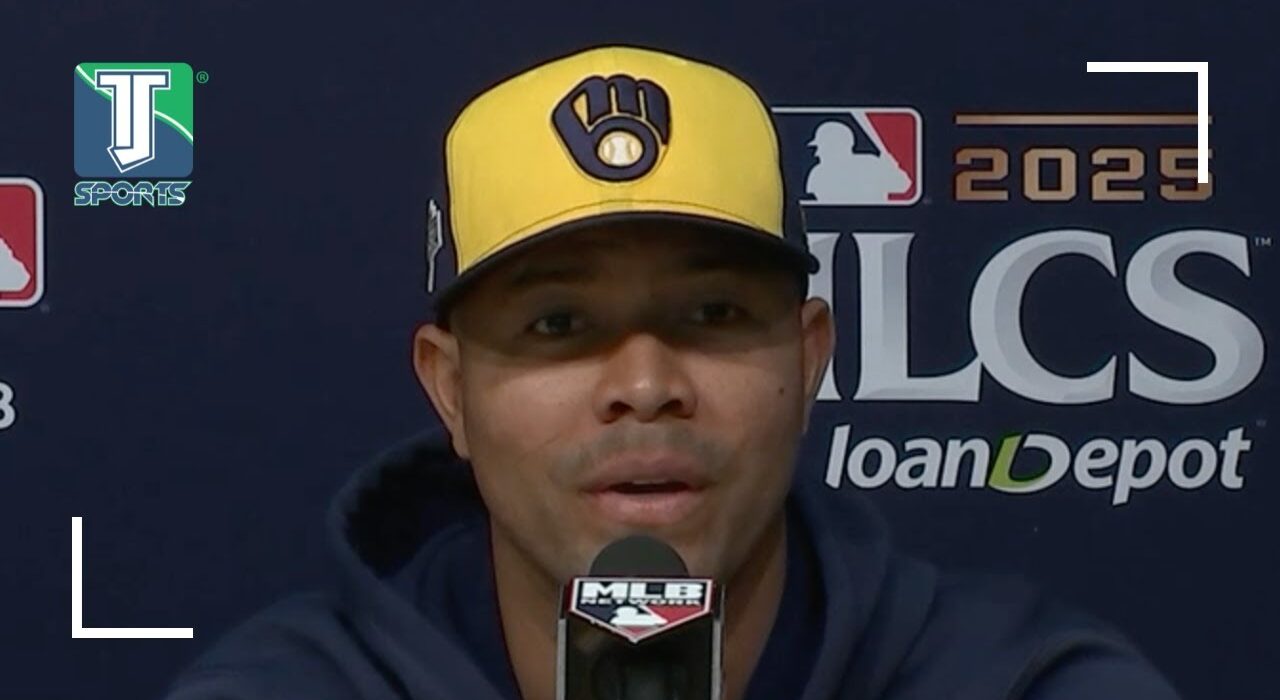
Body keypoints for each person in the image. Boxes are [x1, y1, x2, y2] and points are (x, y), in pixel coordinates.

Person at [161, 44, 1181, 700]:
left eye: (712, 314)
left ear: (809, 358)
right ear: (449, 389)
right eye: (560, 323)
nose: (645, 384)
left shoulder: (1021, 683)